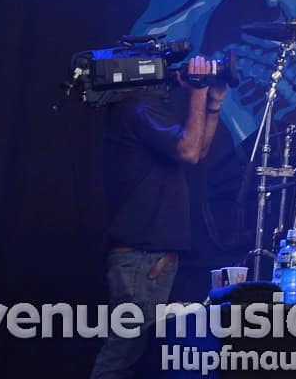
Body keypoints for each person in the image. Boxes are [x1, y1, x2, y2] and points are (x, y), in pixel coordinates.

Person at [92, 55, 227, 379]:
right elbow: (188, 150)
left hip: (153, 259)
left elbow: (198, 152)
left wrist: (213, 102)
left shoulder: (143, 109)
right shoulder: (138, 107)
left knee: (140, 359)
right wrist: (197, 91)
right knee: (121, 359)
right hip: (142, 260)